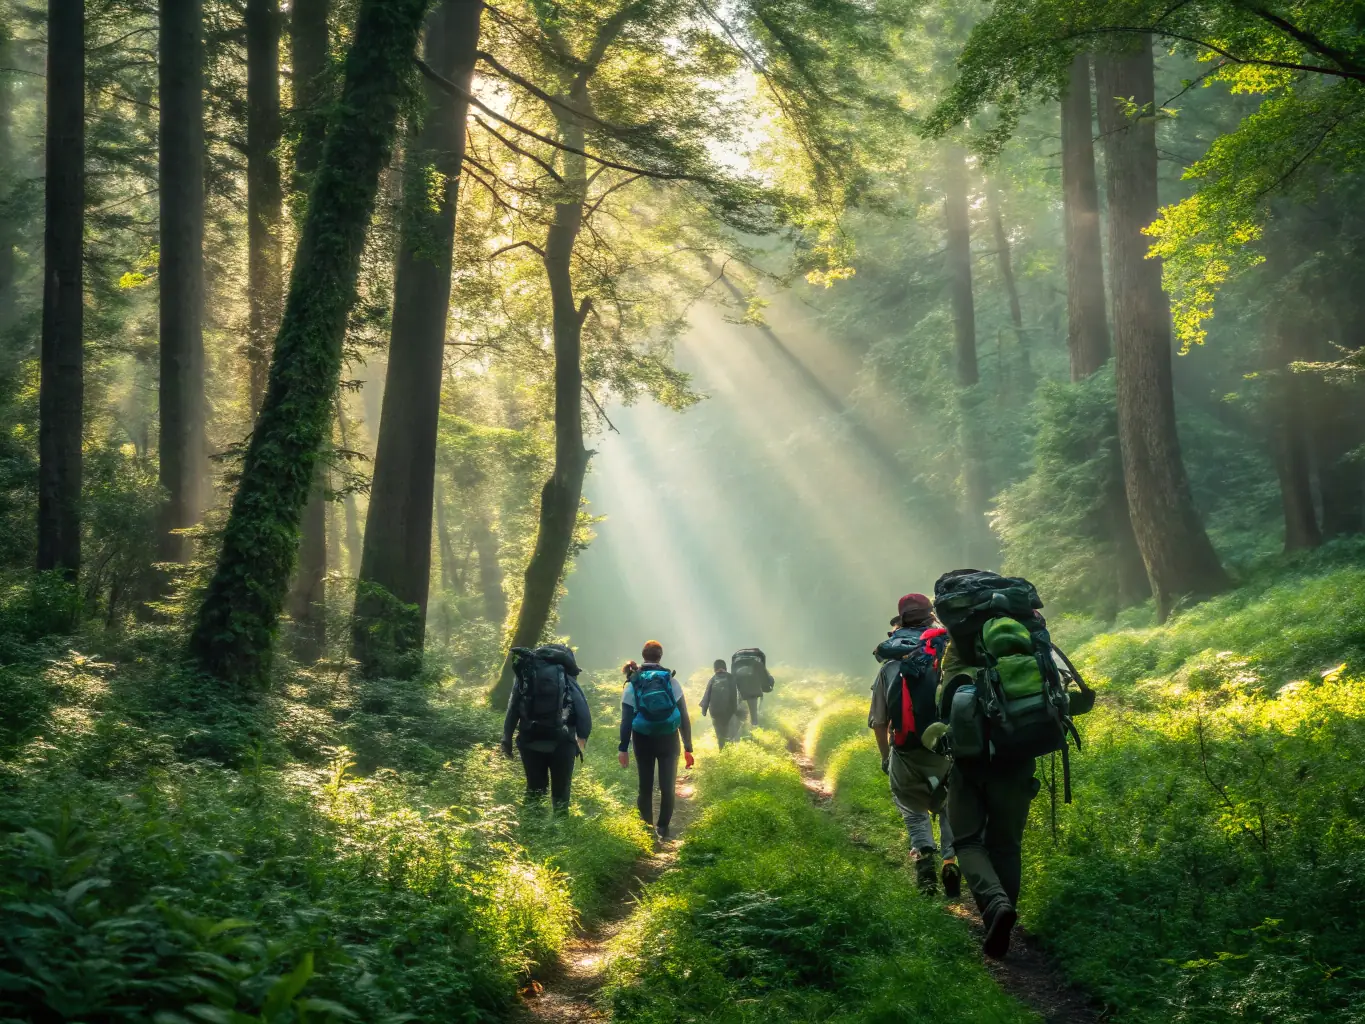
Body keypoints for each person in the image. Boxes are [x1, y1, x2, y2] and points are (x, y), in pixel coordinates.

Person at [934, 570, 1045, 960]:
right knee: (1007, 843)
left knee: (966, 840)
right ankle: (1004, 920)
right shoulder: (1027, 638)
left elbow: (944, 701)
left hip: (971, 760)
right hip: (1019, 754)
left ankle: (996, 907)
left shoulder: (955, 649)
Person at [868, 593, 960, 897]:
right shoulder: (947, 653)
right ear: (931, 617)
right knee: (948, 806)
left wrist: (886, 757)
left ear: (901, 622)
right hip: (945, 749)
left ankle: (925, 872)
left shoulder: (889, 665)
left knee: (912, 808)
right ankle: (950, 860)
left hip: (906, 749)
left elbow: (879, 722)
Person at [501, 643, 592, 812]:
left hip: (530, 739)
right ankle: (559, 829)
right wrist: (582, 737)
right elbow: (582, 710)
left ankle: (530, 828)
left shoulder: (527, 674)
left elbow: (513, 707)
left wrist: (506, 738)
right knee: (561, 791)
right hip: (562, 741)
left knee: (535, 788)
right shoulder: (566, 674)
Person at [618, 640, 695, 840]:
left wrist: (623, 748)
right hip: (669, 739)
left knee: (645, 786)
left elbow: (626, 720)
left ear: (643, 656)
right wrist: (688, 747)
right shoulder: (671, 680)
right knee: (667, 787)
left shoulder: (633, 682)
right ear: (660, 656)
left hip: (642, 739)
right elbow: (683, 716)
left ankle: (646, 830)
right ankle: (663, 829)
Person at [700, 658, 739, 748]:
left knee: (719, 732)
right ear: (725, 668)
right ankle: (729, 748)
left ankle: (721, 748)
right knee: (728, 730)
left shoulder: (713, 679)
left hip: (715, 712)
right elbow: (734, 695)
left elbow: (707, 695)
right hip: (728, 711)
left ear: (714, 669)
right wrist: (735, 710)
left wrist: (704, 710)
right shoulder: (730, 677)